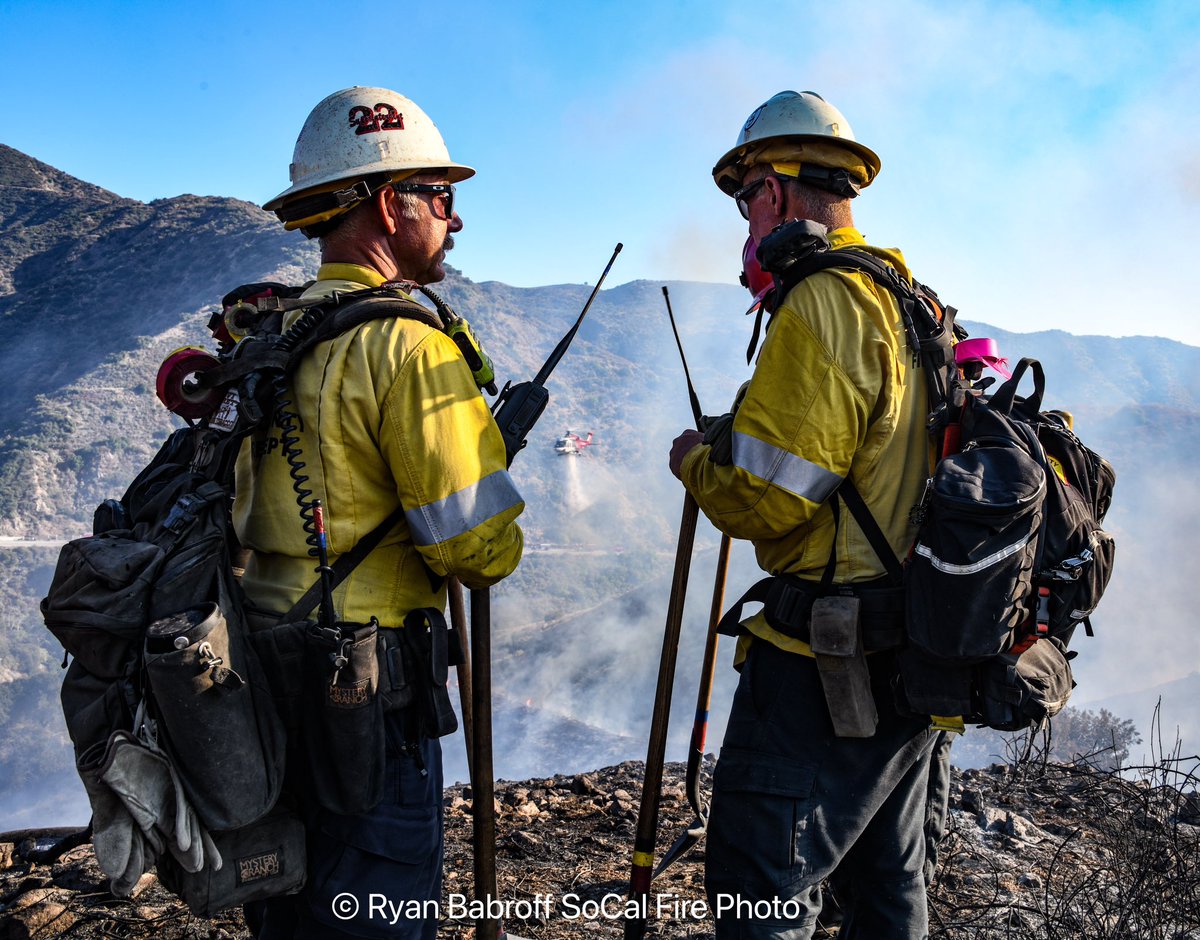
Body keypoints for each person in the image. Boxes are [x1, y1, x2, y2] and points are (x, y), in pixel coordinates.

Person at [235, 86, 524, 939]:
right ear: (393, 206)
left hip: (261, 692)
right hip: (369, 704)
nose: (453, 219)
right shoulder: (409, 346)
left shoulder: (266, 339)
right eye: (439, 196)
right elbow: (476, 550)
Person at [669, 90, 947, 938]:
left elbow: (766, 497)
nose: (746, 220)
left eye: (745, 198)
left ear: (774, 191)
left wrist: (695, 462)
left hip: (823, 672)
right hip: (908, 659)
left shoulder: (823, 299)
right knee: (887, 891)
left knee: (763, 891)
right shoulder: (907, 294)